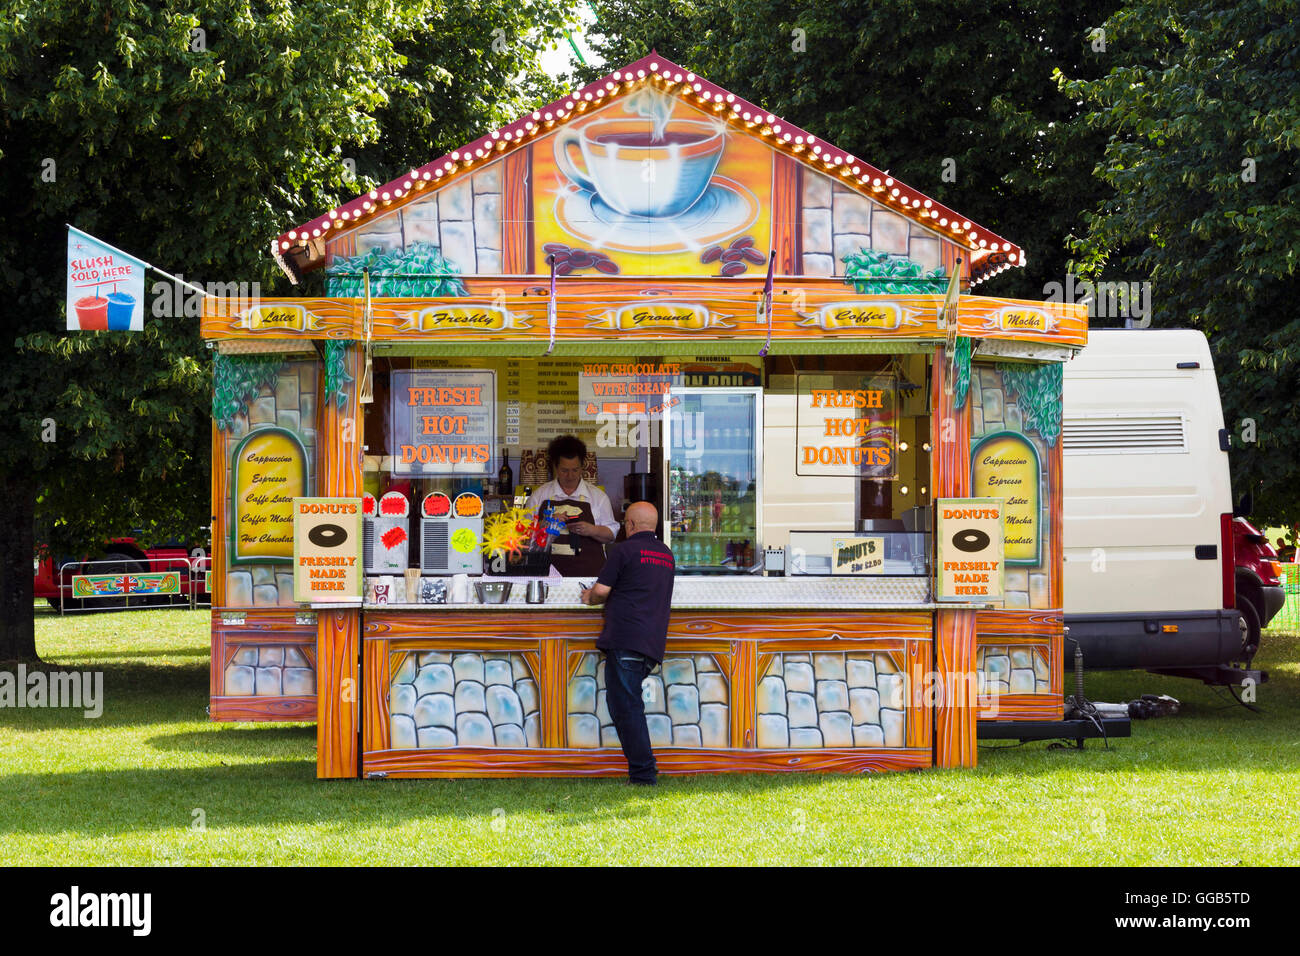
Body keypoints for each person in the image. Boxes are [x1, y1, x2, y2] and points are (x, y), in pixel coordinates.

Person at [580, 501, 675, 785]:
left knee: (626, 707)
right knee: (626, 704)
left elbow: (601, 591)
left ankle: (644, 773)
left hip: (626, 639)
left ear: (630, 525)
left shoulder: (624, 550)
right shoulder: (666, 555)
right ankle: (643, 770)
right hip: (652, 641)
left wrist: (589, 597)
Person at [527, 435, 619, 577]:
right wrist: (546, 523)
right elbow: (524, 536)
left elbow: (611, 534)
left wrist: (592, 530)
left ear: (582, 467)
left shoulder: (597, 497)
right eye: (564, 470)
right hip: (545, 577)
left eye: (575, 470)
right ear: (555, 467)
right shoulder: (539, 496)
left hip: (588, 578)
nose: (570, 476)